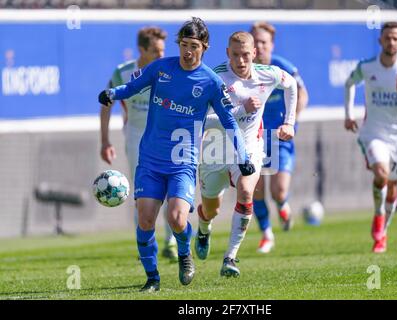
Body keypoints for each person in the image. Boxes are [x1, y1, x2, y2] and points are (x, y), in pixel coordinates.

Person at [98, 17, 255, 292]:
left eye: (193, 46)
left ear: (204, 47)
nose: (187, 51)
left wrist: (243, 155)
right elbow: (132, 88)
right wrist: (112, 93)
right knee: (145, 219)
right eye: (183, 44)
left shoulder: (211, 82)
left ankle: (185, 252)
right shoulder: (160, 68)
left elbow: (229, 121)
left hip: (183, 161)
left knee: (177, 218)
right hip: (150, 159)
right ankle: (152, 279)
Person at [194, 31, 297, 277]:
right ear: (228, 53)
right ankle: (204, 228)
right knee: (211, 208)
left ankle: (230, 257)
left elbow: (291, 84)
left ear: (254, 54)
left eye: (245, 55)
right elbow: (199, 120)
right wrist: (240, 110)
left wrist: (289, 122)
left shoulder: (267, 74)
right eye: (235, 55)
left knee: (247, 191)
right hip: (215, 150)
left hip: (250, 148)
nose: (240, 61)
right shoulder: (213, 77)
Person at [99, 26, 179, 263]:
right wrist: (105, 141)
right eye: (155, 51)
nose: (161, 56)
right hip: (136, 136)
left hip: (167, 136)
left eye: (163, 50)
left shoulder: (170, 71)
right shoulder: (123, 73)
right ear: (141, 49)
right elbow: (106, 104)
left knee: (170, 189)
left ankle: (171, 242)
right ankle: (146, 243)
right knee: (143, 192)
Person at [344, 22, 397, 253]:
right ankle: (378, 215)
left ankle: (382, 233)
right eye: (387, 38)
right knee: (381, 173)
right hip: (373, 133)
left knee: (393, 188)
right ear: (380, 40)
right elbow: (349, 84)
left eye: (396, 38)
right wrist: (348, 114)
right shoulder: (367, 67)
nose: (391, 42)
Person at [249, 22, 309, 254]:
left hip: (280, 138)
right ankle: (266, 234)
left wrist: (291, 121)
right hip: (254, 138)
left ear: (271, 45)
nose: (260, 47)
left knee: (279, 191)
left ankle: (283, 205)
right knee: (255, 189)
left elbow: (302, 94)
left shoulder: (282, 67)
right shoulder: (245, 70)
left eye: (264, 42)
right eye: (256, 42)